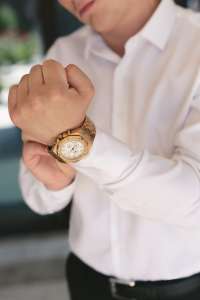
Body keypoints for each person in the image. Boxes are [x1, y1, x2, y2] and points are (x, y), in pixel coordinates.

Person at [8, 0, 200, 299]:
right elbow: (39, 199)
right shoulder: (62, 55)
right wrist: (56, 182)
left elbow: (195, 201)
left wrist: (80, 143)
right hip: (87, 282)